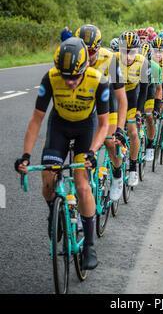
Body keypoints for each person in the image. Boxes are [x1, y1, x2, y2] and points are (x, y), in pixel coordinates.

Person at [15, 37, 110, 270]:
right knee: (48, 177)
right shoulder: (50, 78)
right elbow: (37, 119)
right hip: (59, 127)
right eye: (66, 77)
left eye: (75, 77)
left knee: (82, 185)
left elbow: (104, 124)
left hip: (85, 130)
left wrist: (92, 151)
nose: (69, 82)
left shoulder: (99, 81)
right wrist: (26, 155)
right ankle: (53, 211)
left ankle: (89, 244)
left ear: (86, 67)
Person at [75, 24, 127, 202]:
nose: (87, 56)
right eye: (84, 51)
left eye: (91, 51)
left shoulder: (109, 58)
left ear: (98, 48)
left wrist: (120, 128)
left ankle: (118, 175)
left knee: (110, 142)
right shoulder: (75, 57)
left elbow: (122, 98)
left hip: (108, 103)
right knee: (83, 150)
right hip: (87, 106)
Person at [115, 30, 150, 187]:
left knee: (133, 131)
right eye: (124, 52)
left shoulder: (143, 62)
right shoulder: (113, 60)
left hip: (132, 98)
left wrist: (139, 112)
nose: (128, 56)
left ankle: (133, 168)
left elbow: (144, 90)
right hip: (115, 99)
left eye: (132, 52)